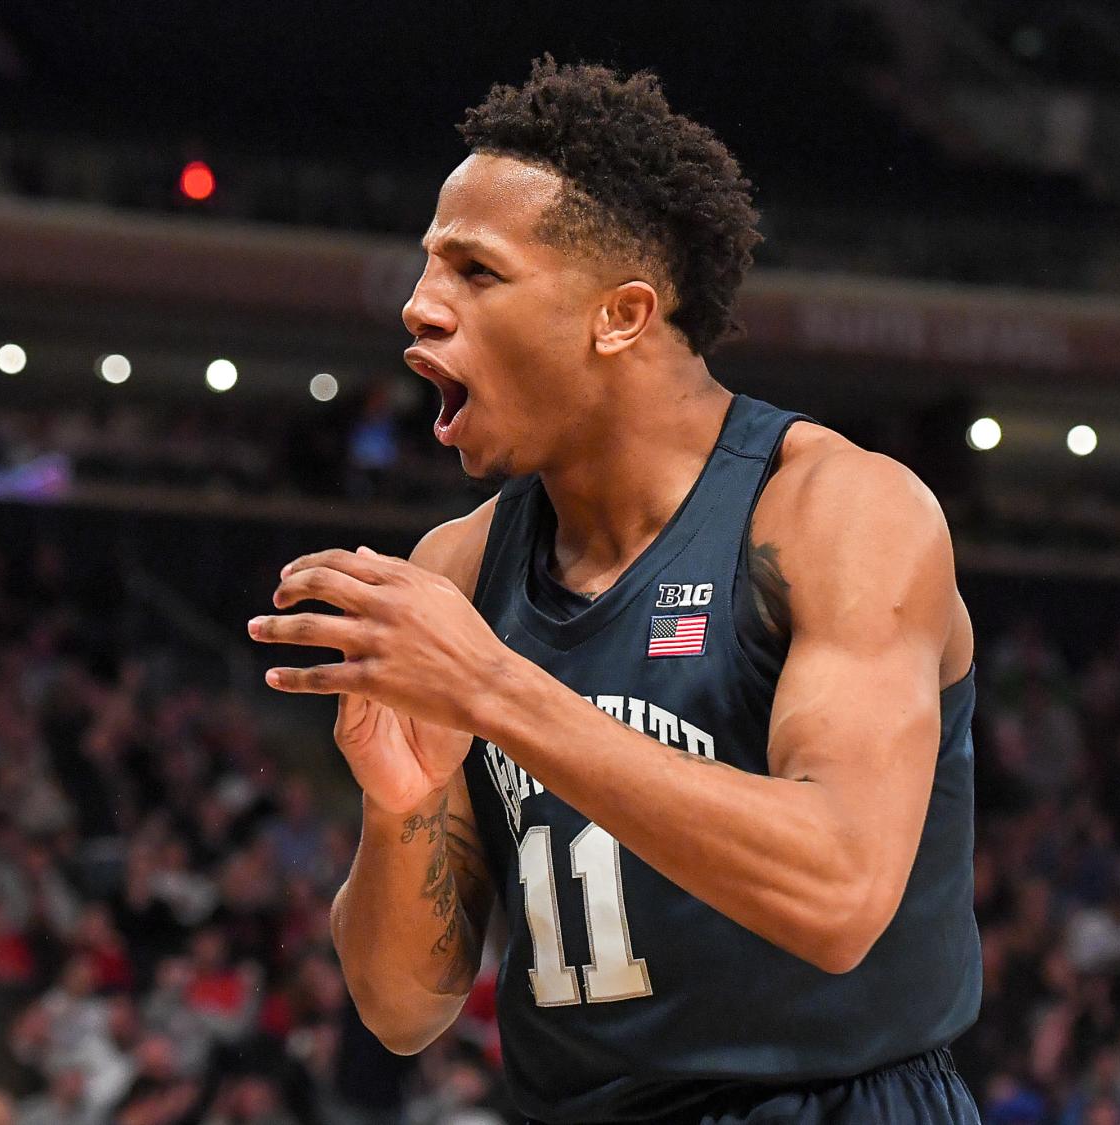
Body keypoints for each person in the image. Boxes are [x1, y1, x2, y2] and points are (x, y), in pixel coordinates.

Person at [250, 57, 980, 1124]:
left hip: (835, 1102)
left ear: (622, 315)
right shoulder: (458, 569)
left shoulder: (836, 513)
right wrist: (400, 804)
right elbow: (402, 1007)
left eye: (475, 272)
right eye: (426, 268)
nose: (419, 307)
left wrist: (499, 693)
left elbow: (838, 893)